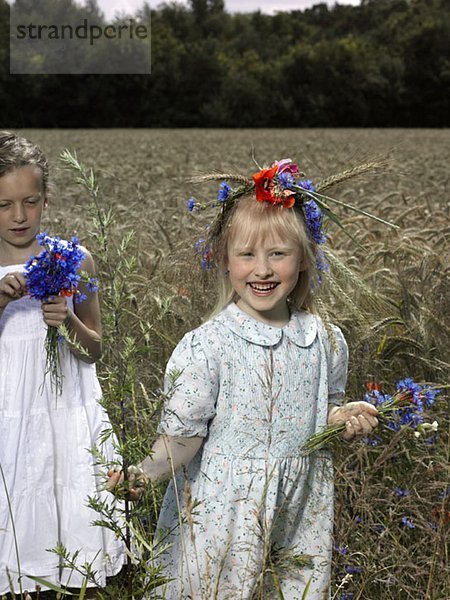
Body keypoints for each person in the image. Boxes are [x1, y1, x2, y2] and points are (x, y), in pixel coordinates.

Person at [108, 159, 379, 598]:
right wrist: (143, 474)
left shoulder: (326, 340)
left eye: (278, 254)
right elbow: (183, 437)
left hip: (299, 513)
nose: (263, 269)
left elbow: (320, 412)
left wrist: (343, 416)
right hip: (221, 516)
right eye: (247, 254)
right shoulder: (208, 346)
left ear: (305, 258)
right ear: (225, 260)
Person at [0, 132, 124, 597]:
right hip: (8, 418)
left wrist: (68, 320)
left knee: (68, 514)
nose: (18, 216)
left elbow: (95, 351)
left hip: (65, 413)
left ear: (46, 199)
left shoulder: (75, 260)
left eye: (29, 202)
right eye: (4, 205)